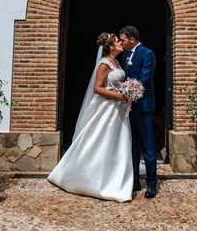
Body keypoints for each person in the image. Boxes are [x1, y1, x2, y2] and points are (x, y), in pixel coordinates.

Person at [47, 33, 133, 202]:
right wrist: (119, 96)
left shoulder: (117, 63)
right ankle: (90, 178)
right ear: (110, 47)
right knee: (99, 140)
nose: (120, 43)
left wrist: (127, 90)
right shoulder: (104, 64)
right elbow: (97, 88)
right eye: (117, 41)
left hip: (118, 110)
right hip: (107, 108)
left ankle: (115, 176)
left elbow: (115, 84)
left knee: (118, 142)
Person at [119, 25, 158, 199]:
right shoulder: (126, 54)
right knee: (132, 145)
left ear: (132, 39)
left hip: (143, 107)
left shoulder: (147, 54)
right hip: (129, 108)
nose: (121, 42)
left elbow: (143, 79)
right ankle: (134, 179)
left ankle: (151, 183)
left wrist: (126, 92)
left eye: (123, 40)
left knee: (148, 146)